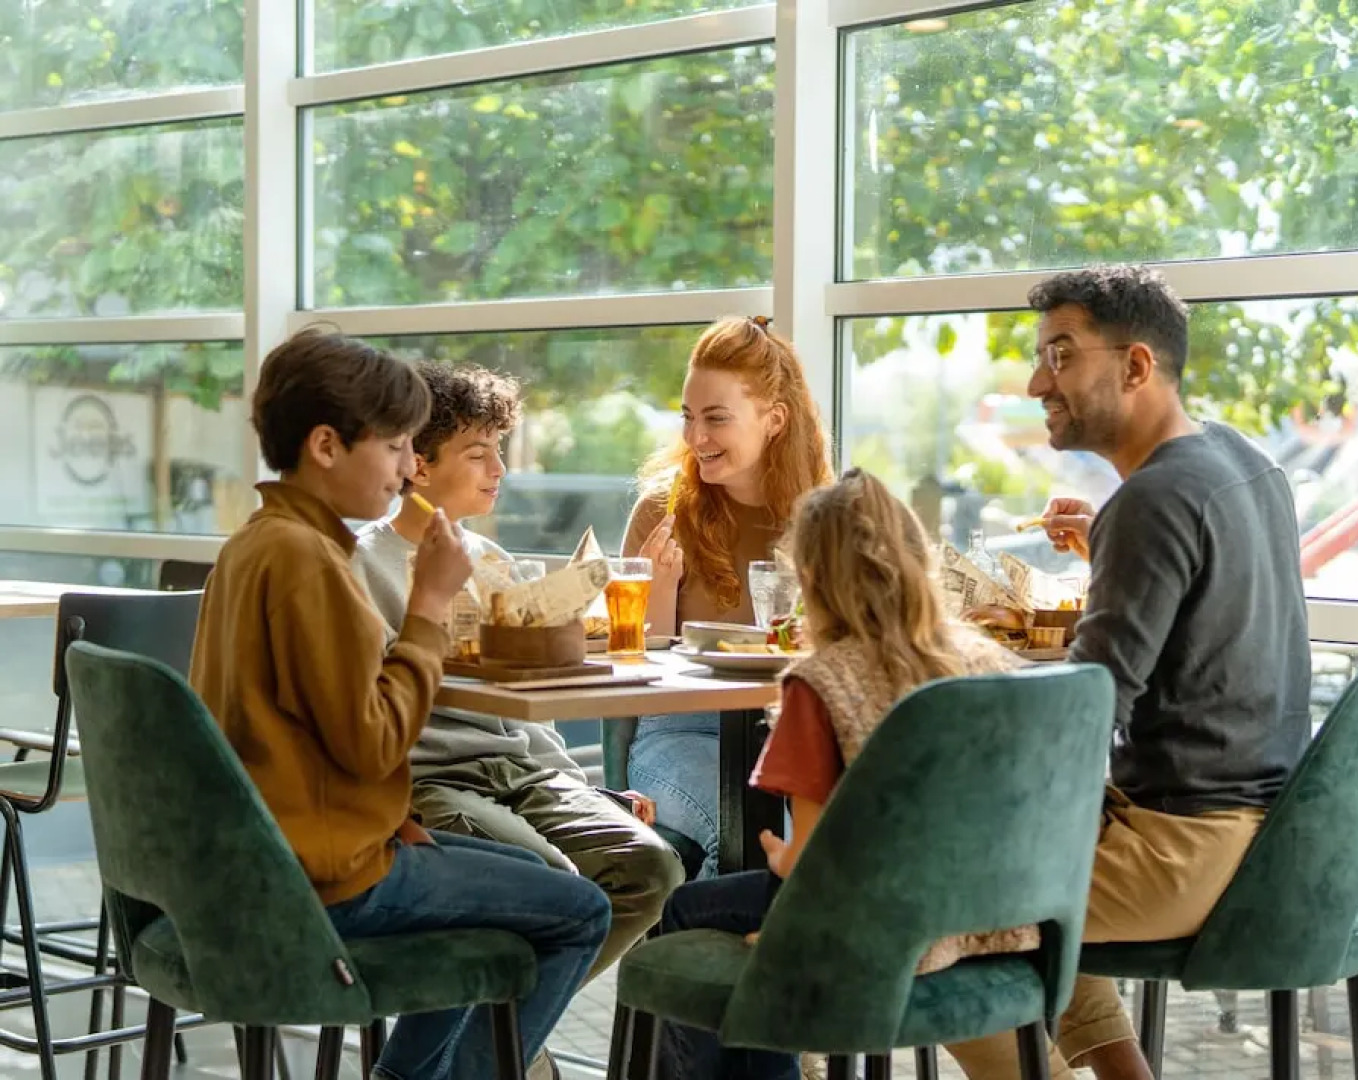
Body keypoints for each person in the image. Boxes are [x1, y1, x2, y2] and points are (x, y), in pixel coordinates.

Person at [189, 329, 611, 1080]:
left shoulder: (256, 544)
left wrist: (391, 817)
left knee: (510, 881)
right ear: (326, 446)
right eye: (392, 447)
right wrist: (429, 607)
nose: (403, 467)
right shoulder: (312, 563)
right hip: (325, 878)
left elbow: (307, 735)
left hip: (273, 852)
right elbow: (374, 743)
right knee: (581, 912)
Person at [962, 265, 1310, 1080]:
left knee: (920, 913)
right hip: (1268, 829)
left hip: (1184, 849)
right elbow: (1208, 618)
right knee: (1008, 848)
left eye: (1060, 354)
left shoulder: (1153, 500)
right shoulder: (1239, 459)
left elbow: (1086, 714)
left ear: (1136, 366)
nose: (1036, 383)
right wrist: (1110, 549)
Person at [655, 469, 1038, 1080]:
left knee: (686, 909)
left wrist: (780, 857)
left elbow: (811, 870)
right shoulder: (989, 661)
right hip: (994, 915)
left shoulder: (822, 681)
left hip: (878, 925)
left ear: (810, 578)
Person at [350, 363, 685, 1013]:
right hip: (433, 784)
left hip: (524, 774)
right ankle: (504, 1049)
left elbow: (530, 715)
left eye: (499, 450)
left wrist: (585, 788)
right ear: (418, 464)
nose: (499, 469)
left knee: (651, 870)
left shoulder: (496, 563)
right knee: (560, 890)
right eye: (478, 453)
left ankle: (498, 1037)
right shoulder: (359, 567)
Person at [620, 315, 832, 879]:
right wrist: (658, 594)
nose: (696, 438)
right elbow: (629, 667)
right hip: (682, 730)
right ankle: (710, 941)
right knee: (744, 827)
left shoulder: (827, 518)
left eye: (716, 418)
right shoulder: (660, 511)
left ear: (774, 420)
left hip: (799, 734)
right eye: (688, 417)